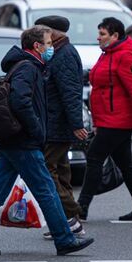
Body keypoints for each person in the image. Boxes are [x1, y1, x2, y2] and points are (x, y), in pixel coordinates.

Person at [0, 26, 94, 256]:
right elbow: (20, 101)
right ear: (37, 46)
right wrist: (37, 131)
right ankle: (64, 239)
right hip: (23, 142)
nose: (51, 48)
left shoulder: (25, 66)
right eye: (49, 44)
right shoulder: (28, 68)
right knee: (47, 191)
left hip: (13, 141)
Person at [77, 17, 132, 221]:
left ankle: (81, 207)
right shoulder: (108, 53)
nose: (98, 37)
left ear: (115, 36)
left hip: (118, 120)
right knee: (126, 164)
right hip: (108, 119)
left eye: (103, 34)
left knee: (94, 158)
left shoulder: (125, 56)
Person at [34, 16, 88, 240]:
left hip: (58, 124)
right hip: (55, 122)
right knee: (61, 171)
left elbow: (71, 92)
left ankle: (72, 215)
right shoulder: (58, 52)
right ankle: (68, 220)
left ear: (54, 32)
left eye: (43, 32)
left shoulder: (64, 55)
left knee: (47, 169)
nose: (41, 36)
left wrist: (76, 124)